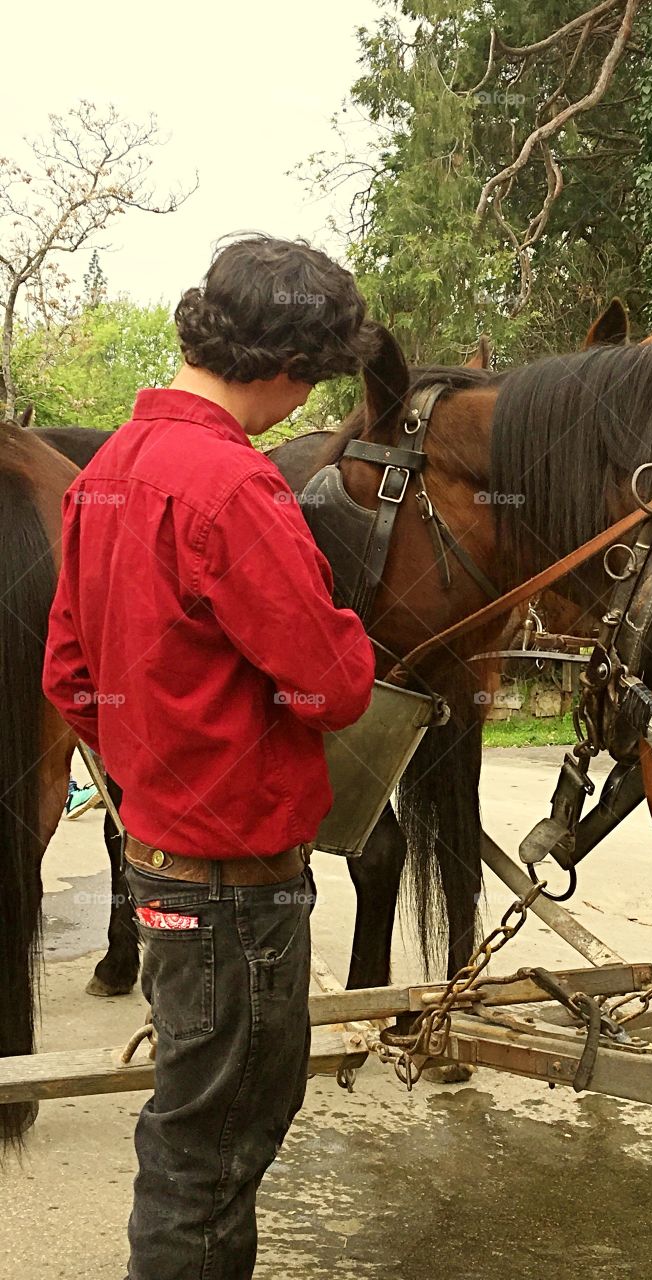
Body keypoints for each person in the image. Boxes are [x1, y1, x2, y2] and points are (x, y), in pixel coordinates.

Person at [42, 234, 377, 1280]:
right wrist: (352, 631)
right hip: (240, 887)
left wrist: (148, 768)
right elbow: (329, 684)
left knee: (192, 1131)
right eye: (311, 375)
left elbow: (67, 673)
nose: (302, 399)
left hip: (161, 859)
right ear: (283, 366)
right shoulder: (232, 486)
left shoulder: (106, 470)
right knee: (217, 1149)